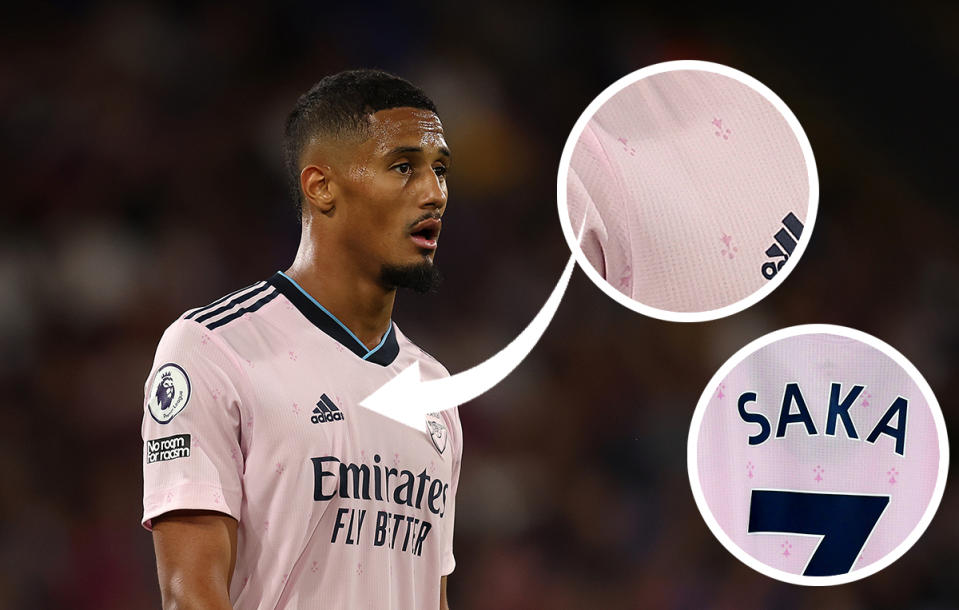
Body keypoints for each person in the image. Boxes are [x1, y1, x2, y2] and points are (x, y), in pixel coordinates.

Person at [140, 69, 462, 609]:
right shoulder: (212, 350)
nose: (434, 193)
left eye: (441, 170)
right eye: (403, 167)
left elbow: (430, 595)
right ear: (322, 187)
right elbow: (190, 595)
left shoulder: (434, 387)